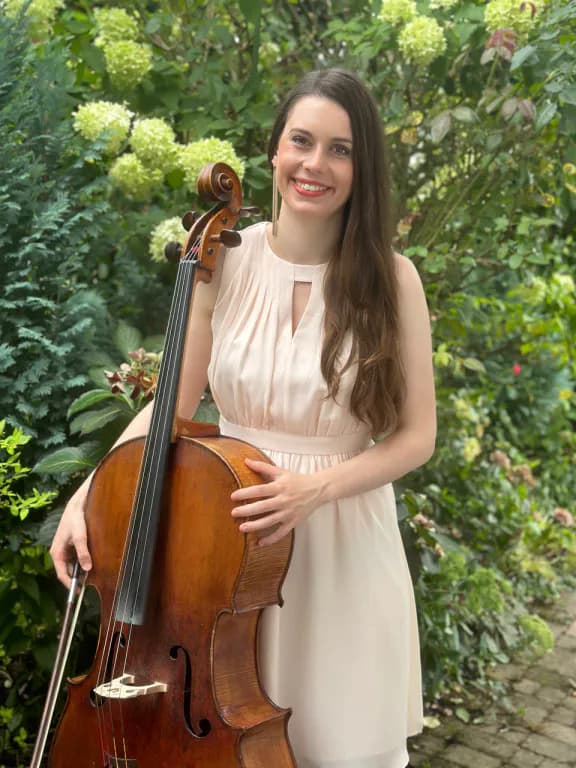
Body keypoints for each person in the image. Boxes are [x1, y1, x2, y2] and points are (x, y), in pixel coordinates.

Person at [51, 68, 436, 768]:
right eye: (302, 141)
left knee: (336, 748)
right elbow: (169, 403)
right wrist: (86, 496)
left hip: (340, 547)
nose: (316, 164)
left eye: (341, 149)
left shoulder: (392, 277)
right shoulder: (224, 259)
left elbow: (417, 438)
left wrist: (313, 488)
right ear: (274, 153)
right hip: (220, 557)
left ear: (363, 167)